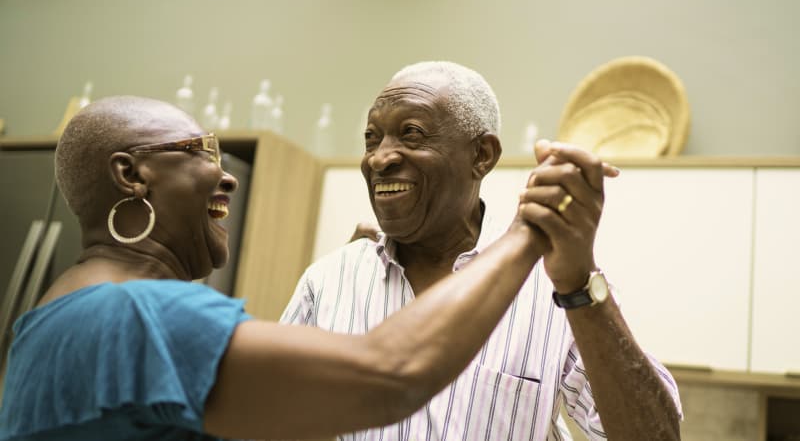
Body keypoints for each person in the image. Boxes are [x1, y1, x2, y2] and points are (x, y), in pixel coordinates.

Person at [1, 96, 572, 440]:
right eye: (200, 151)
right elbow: (395, 374)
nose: (226, 176)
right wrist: (529, 231)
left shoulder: (50, 318)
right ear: (131, 177)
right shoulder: (140, 316)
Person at [281, 61, 683, 440]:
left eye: (412, 134)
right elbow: (267, 420)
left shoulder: (553, 288)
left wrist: (579, 283)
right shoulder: (328, 282)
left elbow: (657, 435)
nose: (380, 158)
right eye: (372, 139)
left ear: (482, 156)